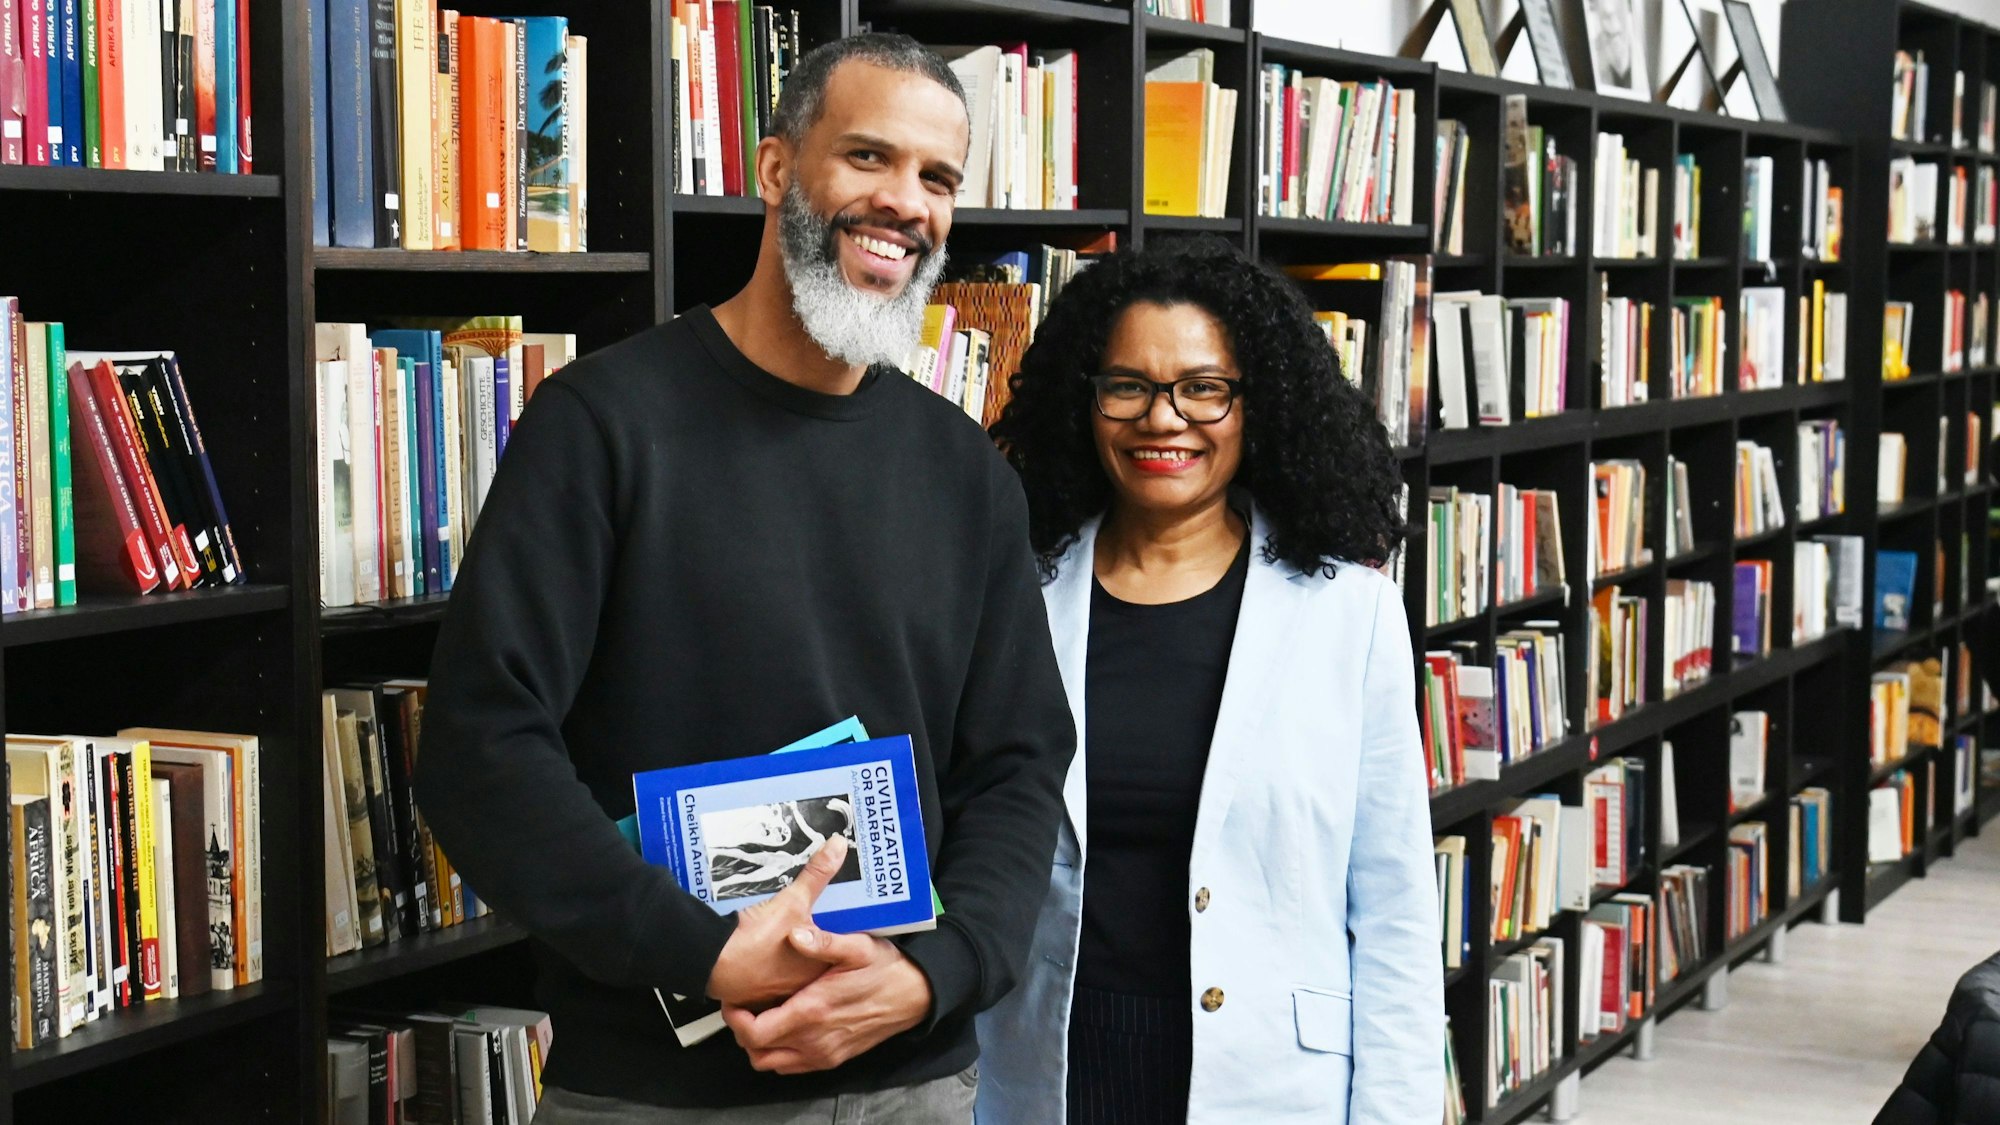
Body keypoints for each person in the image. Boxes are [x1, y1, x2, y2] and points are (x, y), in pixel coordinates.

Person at [412, 33, 1076, 1123]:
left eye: (937, 178)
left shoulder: (966, 472)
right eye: (868, 158)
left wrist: (930, 976)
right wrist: (707, 952)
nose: (904, 202)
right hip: (656, 1089)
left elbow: (1016, 766)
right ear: (775, 170)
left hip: (912, 1079)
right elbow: (482, 745)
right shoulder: (602, 426)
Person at [976, 239, 1444, 1123]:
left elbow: (1394, 911)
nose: (1164, 418)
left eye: (1204, 388)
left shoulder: (1351, 613)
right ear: (1087, 401)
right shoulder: (1015, 597)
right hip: (1051, 1069)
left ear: (1256, 407)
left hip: (1269, 1078)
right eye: (1128, 386)